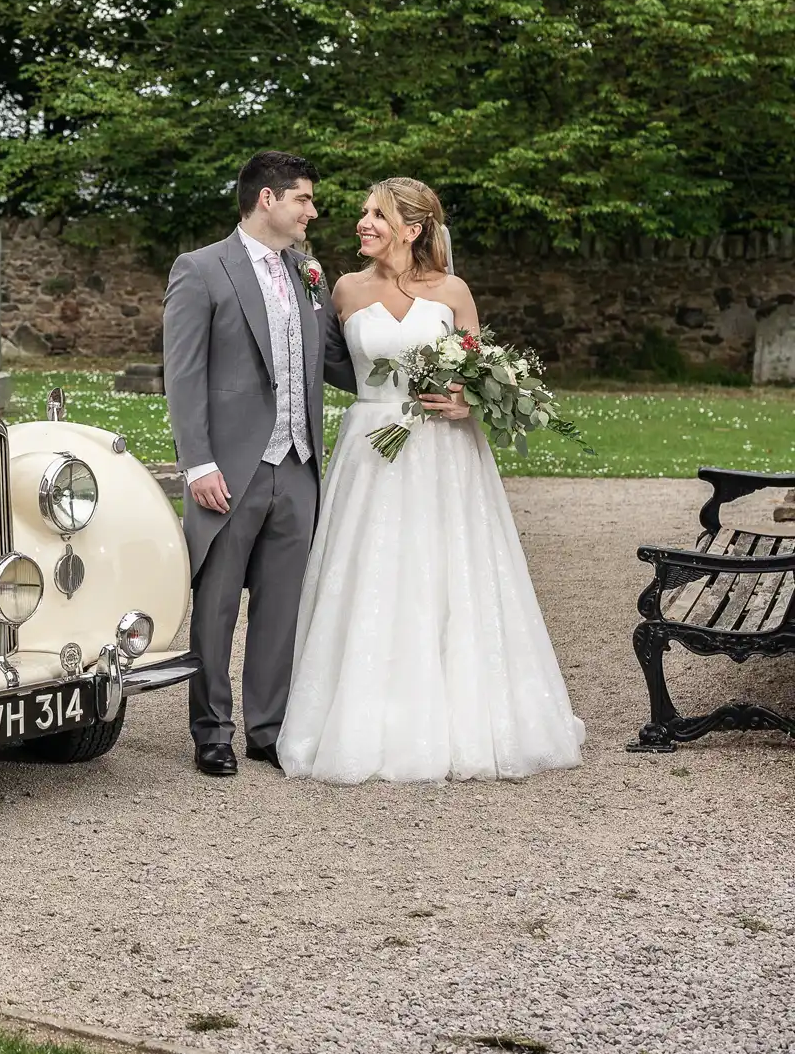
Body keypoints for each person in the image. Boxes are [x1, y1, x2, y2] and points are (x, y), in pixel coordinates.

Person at [277, 178, 585, 783]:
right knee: (369, 572)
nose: (362, 222)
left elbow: (480, 371)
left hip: (444, 452)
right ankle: (361, 718)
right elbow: (327, 363)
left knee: (448, 571)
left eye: (377, 215)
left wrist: (468, 400)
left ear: (412, 230)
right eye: (364, 213)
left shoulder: (453, 292)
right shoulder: (340, 289)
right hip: (370, 447)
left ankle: (462, 721)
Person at [163, 151, 358, 777]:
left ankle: (267, 729)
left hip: (298, 465)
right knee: (216, 604)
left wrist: (413, 368)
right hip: (230, 467)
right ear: (268, 199)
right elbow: (184, 373)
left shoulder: (308, 271)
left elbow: (335, 361)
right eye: (304, 198)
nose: (313, 211)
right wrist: (197, 464)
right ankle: (212, 731)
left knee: (282, 606)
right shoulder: (200, 269)